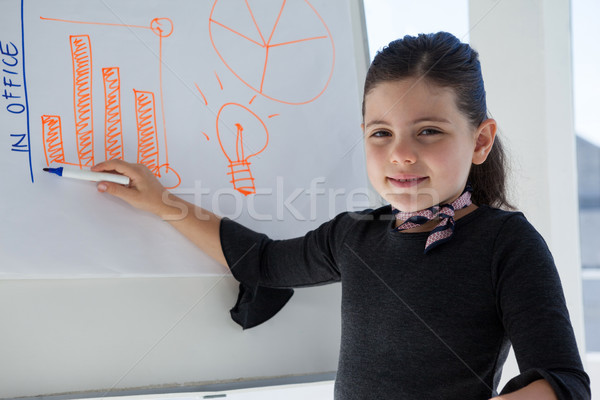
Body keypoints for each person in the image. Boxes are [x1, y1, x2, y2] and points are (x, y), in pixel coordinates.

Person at [92, 32, 590, 399]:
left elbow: (564, 382)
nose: (400, 154)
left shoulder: (506, 242)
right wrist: (162, 202)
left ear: (480, 140)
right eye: (380, 133)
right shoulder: (354, 235)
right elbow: (262, 261)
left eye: (429, 131)